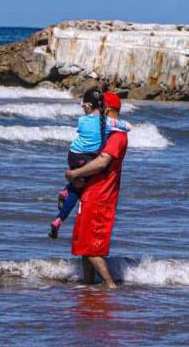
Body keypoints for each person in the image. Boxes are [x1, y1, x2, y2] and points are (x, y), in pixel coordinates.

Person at [66, 91, 129, 289]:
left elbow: (102, 162)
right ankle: (88, 285)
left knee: (92, 248)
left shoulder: (117, 136)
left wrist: (75, 174)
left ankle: (110, 285)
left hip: (100, 195)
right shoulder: (109, 132)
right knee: (84, 244)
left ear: (107, 110)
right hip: (92, 193)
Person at [49, 88, 131, 238]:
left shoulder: (84, 121)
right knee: (77, 188)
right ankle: (61, 213)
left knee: (76, 186)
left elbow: (99, 157)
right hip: (89, 166)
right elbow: (101, 162)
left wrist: (74, 173)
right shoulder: (110, 126)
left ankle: (60, 214)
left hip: (73, 154)